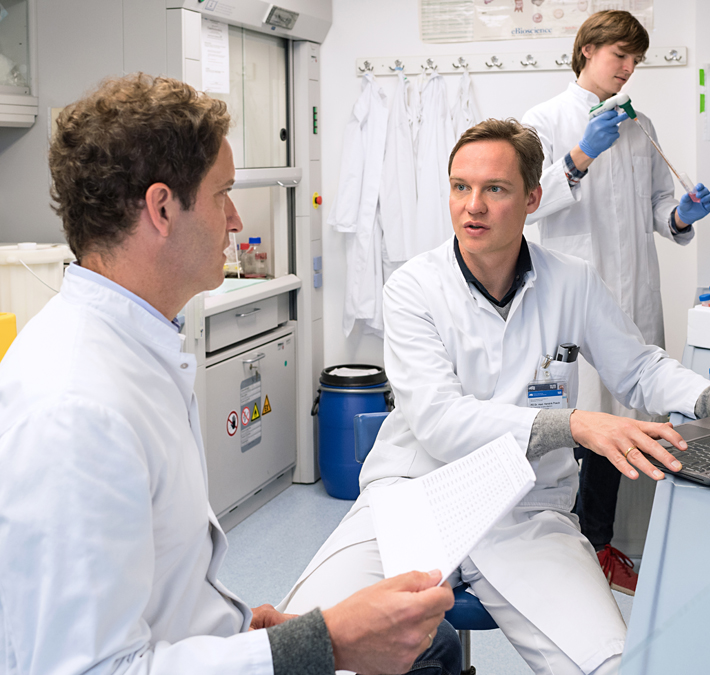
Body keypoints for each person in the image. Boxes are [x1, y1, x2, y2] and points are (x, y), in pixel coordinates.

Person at [0, 73, 460, 675]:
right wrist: (321, 646)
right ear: (162, 208)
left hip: (214, 646)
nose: (235, 219)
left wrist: (243, 624)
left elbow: (165, 589)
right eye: (222, 195)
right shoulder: (76, 407)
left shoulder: (132, 350)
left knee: (434, 641)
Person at [277, 118, 710, 675]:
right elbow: (437, 420)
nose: (472, 205)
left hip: (526, 507)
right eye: (460, 187)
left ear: (532, 198)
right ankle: (434, 655)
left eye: (494, 189)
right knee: (305, 649)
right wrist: (574, 425)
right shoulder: (413, 286)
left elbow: (640, 367)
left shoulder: (571, 280)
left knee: (613, 666)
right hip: (417, 496)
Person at [521, 10, 710, 592]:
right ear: (587, 51)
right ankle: (576, 546)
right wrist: (579, 156)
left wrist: (682, 214)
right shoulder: (543, 121)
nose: (629, 70)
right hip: (572, 300)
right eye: (619, 58)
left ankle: (610, 544)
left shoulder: (641, 124)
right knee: (582, 421)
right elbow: (530, 204)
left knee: (631, 419)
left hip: (634, 292)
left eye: (635, 61)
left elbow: (659, 208)